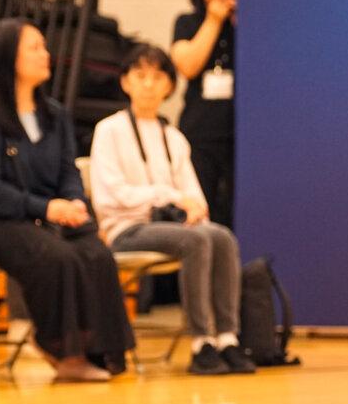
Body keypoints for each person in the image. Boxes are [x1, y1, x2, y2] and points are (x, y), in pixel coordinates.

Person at [0, 18, 134, 381]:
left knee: (96, 252)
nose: (46, 55)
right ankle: (63, 350)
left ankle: (102, 351)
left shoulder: (55, 114)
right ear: (9, 58)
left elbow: (68, 172)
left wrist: (73, 202)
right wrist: (45, 208)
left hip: (48, 216)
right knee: (56, 256)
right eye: (35, 48)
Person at [90, 44, 255, 376]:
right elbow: (112, 196)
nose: (148, 84)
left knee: (220, 235)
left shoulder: (174, 137)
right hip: (127, 230)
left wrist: (192, 209)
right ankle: (200, 343)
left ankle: (226, 337)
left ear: (169, 85)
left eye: (157, 76)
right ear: (125, 83)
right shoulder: (109, 130)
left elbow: (194, 196)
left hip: (172, 228)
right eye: (140, 76)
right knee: (195, 241)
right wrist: (166, 196)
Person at [171, 0, 237, 229]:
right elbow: (187, 65)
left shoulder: (246, 24)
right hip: (201, 133)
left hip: (238, 134)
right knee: (202, 207)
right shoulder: (187, 22)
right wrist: (214, 20)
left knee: (232, 210)